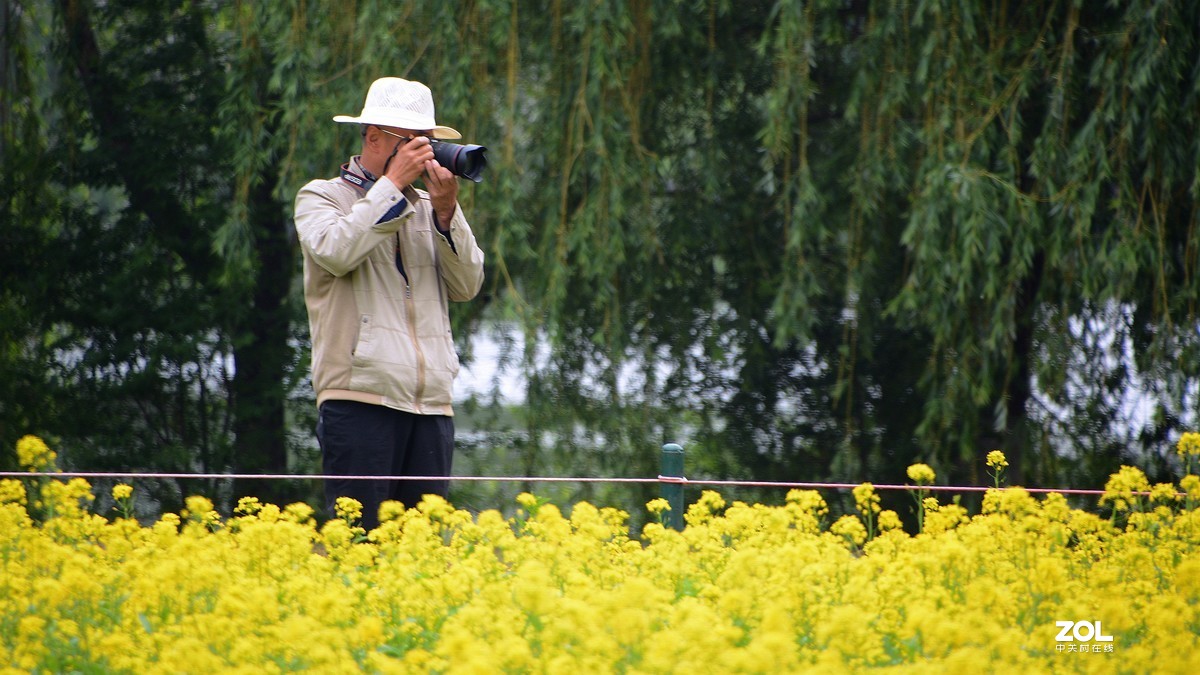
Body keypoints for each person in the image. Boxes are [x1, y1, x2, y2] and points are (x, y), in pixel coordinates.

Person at [293, 77, 485, 530]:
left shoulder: (427, 206)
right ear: (375, 138)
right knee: (360, 543)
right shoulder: (321, 197)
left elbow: (468, 284)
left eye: (429, 142)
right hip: (359, 396)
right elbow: (336, 250)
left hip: (431, 404)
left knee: (417, 561)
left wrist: (445, 213)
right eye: (412, 142)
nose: (425, 152)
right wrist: (393, 185)